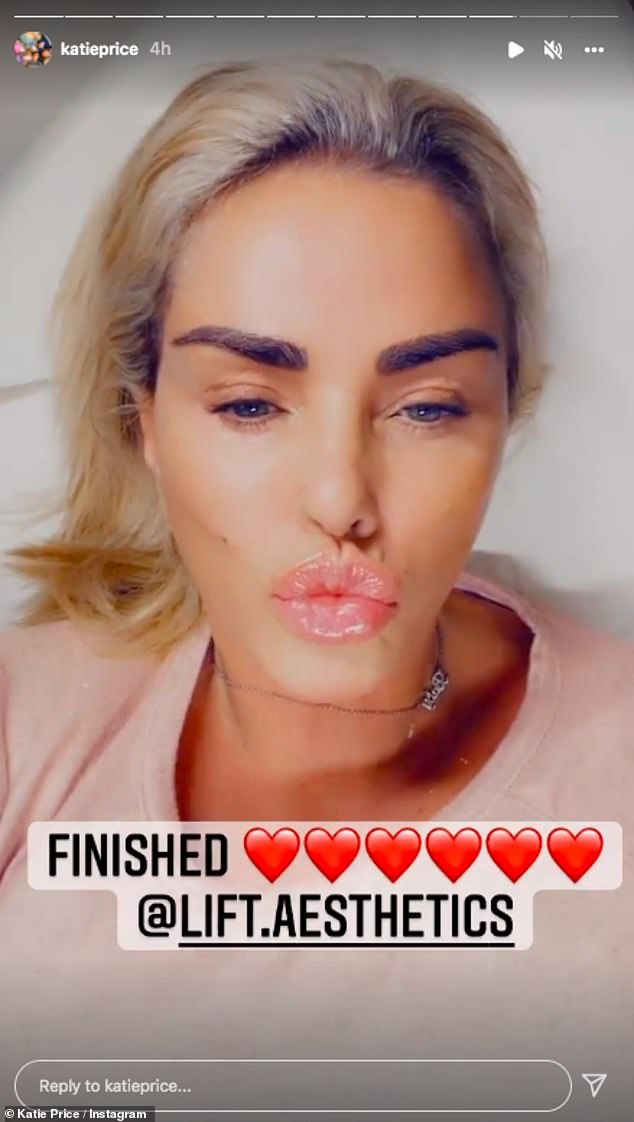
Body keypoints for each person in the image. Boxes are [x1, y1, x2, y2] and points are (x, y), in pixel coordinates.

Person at [0, 59, 632, 1104]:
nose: (342, 500)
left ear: (504, 414)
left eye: (428, 407)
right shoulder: (27, 725)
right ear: (142, 419)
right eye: (249, 404)